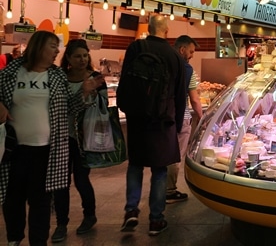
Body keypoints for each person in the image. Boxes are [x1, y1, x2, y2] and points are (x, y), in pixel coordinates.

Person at [0, 31, 102, 246]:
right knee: (13, 198)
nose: (57, 51)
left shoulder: (56, 76)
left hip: (47, 149)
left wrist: (83, 92)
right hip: (14, 149)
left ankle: (39, 241)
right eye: (53, 46)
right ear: (39, 47)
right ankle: (14, 238)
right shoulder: (12, 71)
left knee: (41, 200)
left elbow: (69, 108)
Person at [117, 14, 186, 237]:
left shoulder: (136, 48)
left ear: (149, 28)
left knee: (135, 165)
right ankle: (156, 220)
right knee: (159, 169)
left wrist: (126, 107)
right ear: (166, 31)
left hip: (137, 118)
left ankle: (131, 210)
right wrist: (177, 123)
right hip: (163, 120)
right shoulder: (175, 56)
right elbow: (180, 95)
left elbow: (124, 81)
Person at [51, 39, 106, 243]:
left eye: (85, 55)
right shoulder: (60, 78)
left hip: (85, 137)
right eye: (77, 56)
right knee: (61, 183)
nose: (82, 59)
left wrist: (92, 93)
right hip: (62, 137)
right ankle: (61, 224)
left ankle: (89, 215)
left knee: (82, 179)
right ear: (68, 59)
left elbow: (103, 105)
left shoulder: (95, 77)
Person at [166, 35, 203, 204]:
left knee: (163, 154)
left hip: (163, 117)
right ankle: (169, 191)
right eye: (191, 51)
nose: (192, 55)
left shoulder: (163, 65)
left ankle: (160, 188)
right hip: (181, 118)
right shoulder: (188, 70)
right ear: (182, 50)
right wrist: (202, 117)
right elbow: (194, 99)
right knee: (175, 156)